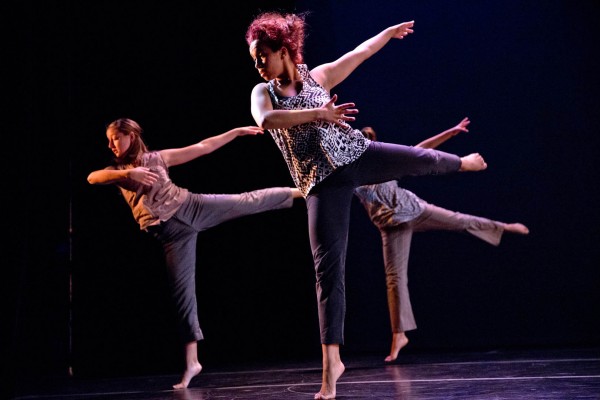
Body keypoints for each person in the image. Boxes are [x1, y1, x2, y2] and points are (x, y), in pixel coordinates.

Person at [246, 12, 488, 399]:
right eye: (254, 58)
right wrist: (319, 113)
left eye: (263, 55)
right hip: (321, 183)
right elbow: (268, 121)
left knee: (415, 158)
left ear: (283, 50)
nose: (258, 64)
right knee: (327, 272)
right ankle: (331, 369)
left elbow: (360, 52)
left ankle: (464, 162)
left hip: (356, 155)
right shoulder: (264, 93)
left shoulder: (317, 76)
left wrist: (388, 34)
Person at [87, 118, 302, 389]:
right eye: (109, 140)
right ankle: (192, 363)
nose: (111, 144)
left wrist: (234, 131)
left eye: (115, 138)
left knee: (245, 201)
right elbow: (93, 177)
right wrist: (127, 175)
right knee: (182, 297)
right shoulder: (116, 170)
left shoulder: (157, 158)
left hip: (190, 208)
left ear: (130, 135)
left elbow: (203, 146)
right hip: (172, 236)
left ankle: (304, 191)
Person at [355, 119, 530, 364]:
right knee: (394, 279)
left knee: (460, 221)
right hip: (390, 226)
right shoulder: (351, 175)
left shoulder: (385, 164)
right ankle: (399, 335)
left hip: (415, 210)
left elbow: (420, 151)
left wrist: (450, 133)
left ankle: (503, 227)